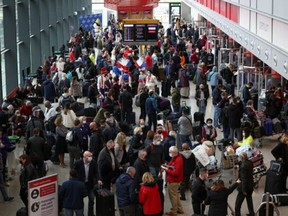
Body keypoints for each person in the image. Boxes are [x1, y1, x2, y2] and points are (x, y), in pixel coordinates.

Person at [161, 146, 184, 216]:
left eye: (170, 152)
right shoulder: (176, 157)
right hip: (174, 180)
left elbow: (176, 173)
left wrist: (166, 169)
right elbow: (172, 165)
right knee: (176, 195)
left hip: (174, 181)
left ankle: (174, 211)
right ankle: (180, 209)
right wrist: (167, 166)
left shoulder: (178, 160)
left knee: (172, 196)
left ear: (174, 153)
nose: (169, 153)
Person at [74, 151, 98, 216]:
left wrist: (99, 179)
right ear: (84, 157)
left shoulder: (93, 163)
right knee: (80, 201)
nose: (91, 158)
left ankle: (90, 214)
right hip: (81, 185)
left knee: (92, 200)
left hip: (90, 184)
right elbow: (73, 173)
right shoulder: (78, 163)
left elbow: (96, 172)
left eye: (91, 156)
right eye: (89, 156)